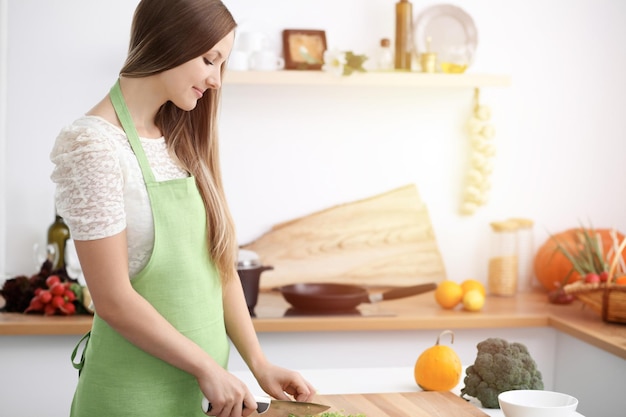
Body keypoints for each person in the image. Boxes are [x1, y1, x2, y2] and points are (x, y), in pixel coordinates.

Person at [50, 0, 316, 416]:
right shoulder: (92, 145)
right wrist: (206, 367)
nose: (216, 80)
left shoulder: (182, 140)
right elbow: (113, 299)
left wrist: (259, 364)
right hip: (131, 397)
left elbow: (218, 264)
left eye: (221, 64)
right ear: (169, 41)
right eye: (209, 60)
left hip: (203, 397)